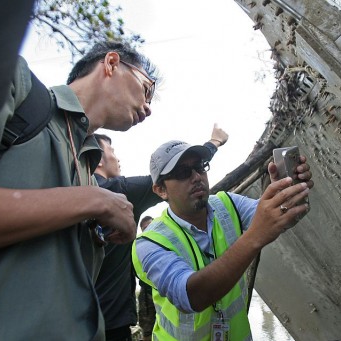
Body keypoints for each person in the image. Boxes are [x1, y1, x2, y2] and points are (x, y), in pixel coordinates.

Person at [0, 41, 159, 340]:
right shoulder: (16, 84)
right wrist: (91, 201)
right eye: (147, 89)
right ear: (111, 63)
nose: (148, 108)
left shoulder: (89, 168)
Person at [132, 140, 313, 340]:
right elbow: (192, 296)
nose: (196, 177)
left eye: (200, 167)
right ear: (160, 190)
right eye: (183, 172)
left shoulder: (228, 204)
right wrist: (255, 236)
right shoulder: (149, 243)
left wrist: (285, 193)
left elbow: (279, 218)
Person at [93, 124, 228, 341]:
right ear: (98, 159)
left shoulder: (75, 195)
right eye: (112, 151)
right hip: (110, 320)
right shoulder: (119, 192)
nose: (117, 159)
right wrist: (214, 143)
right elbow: (173, 177)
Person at [137, 215, 156, 341]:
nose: (148, 229)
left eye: (150, 225)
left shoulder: (170, 239)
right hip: (147, 295)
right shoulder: (138, 246)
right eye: (145, 228)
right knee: (147, 330)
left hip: (167, 294)